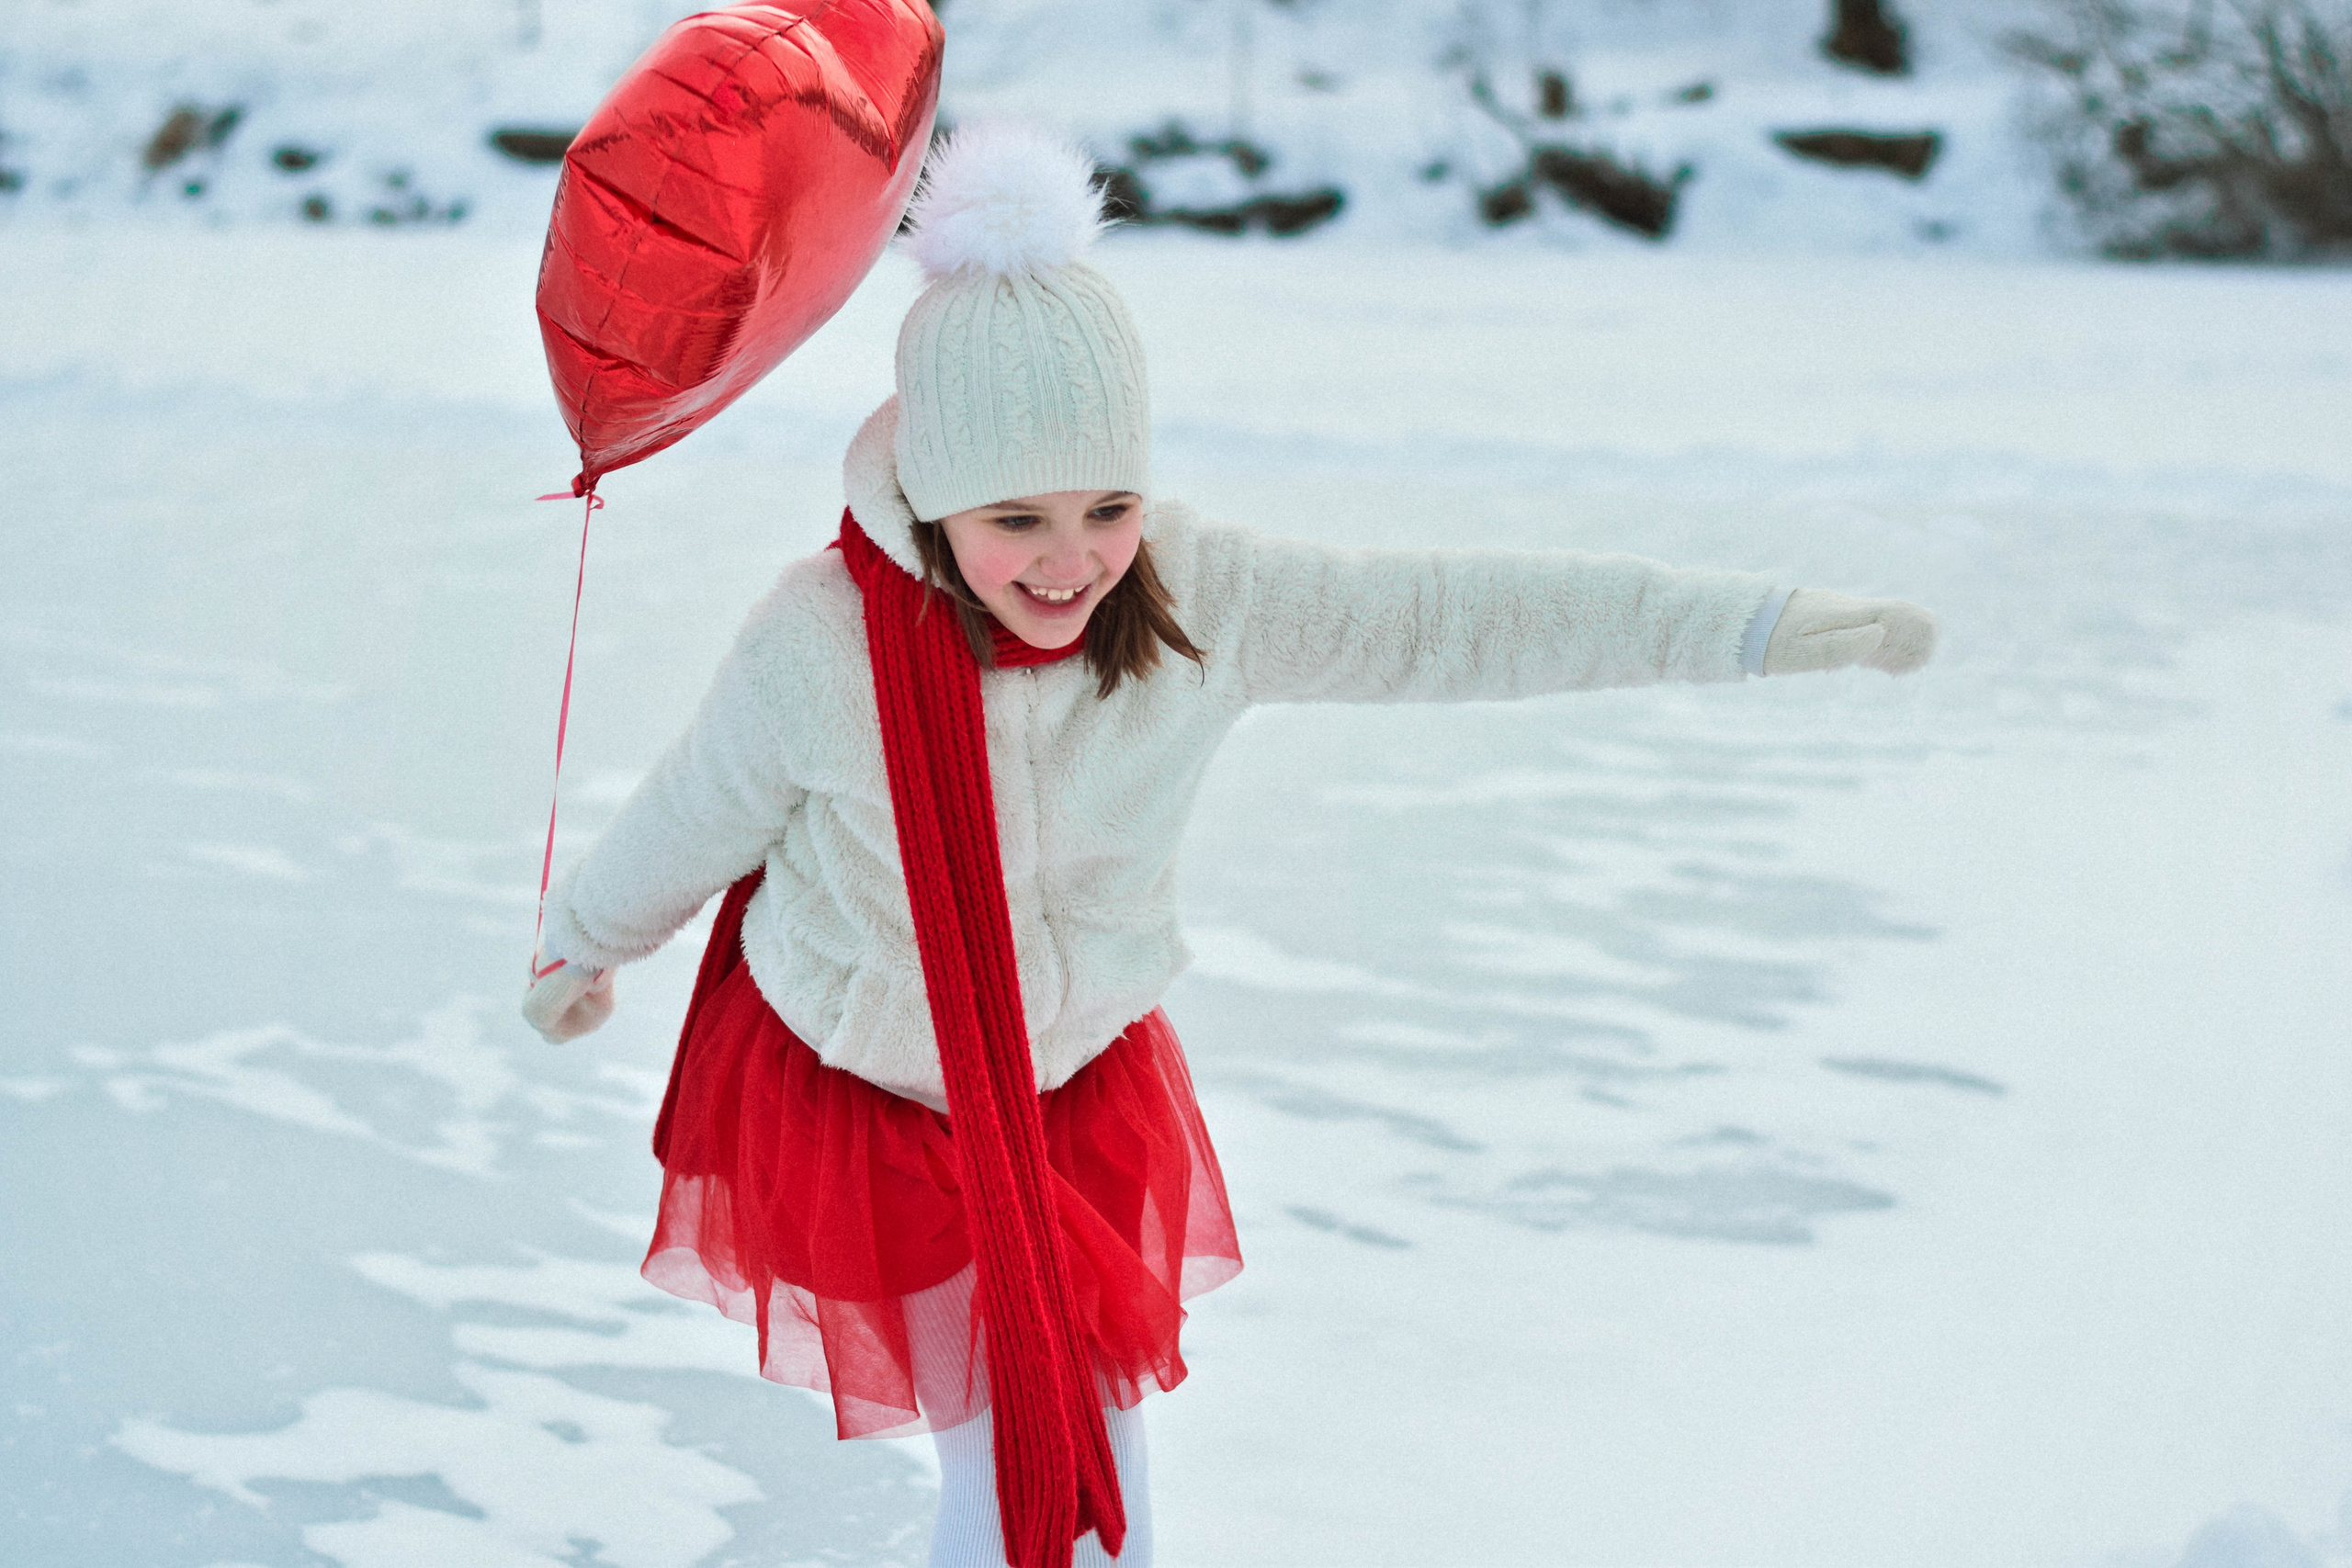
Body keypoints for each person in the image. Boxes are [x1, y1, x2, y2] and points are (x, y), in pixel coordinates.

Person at [519, 123, 1936, 1568]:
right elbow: (697, 811)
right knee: (1023, 1476)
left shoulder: (1202, 599)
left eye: (1108, 508)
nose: (1071, 561)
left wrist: (1752, 628)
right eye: (1018, 519)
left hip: (1073, 1087)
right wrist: (585, 938)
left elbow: (1460, 617)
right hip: (884, 1099)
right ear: (938, 500)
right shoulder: (818, 647)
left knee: (1090, 1471)